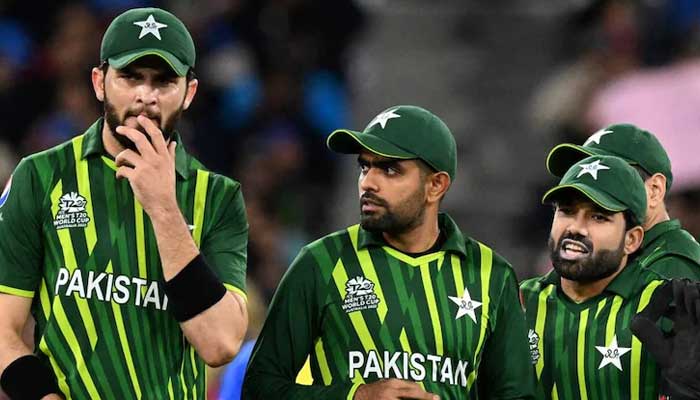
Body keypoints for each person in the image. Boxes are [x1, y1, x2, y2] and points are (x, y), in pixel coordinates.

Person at [0, 8, 249, 399]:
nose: (145, 96)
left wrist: (164, 207)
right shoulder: (40, 177)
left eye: (164, 81)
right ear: (100, 82)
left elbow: (219, 344)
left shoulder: (218, 197)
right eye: (131, 77)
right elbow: (3, 331)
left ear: (189, 92)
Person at [243, 105, 535, 400]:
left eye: (390, 169)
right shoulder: (320, 263)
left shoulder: (492, 276)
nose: (368, 182)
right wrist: (355, 397)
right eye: (364, 167)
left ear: (435, 186)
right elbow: (258, 389)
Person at [520, 154, 668, 399]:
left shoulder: (666, 307)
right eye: (567, 211)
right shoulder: (518, 303)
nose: (576, 227)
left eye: (598, 217)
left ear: (631, 240)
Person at [545, 123, 700, 280]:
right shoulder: (610, 259)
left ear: (655, 190)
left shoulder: (671, 267)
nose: (591, 191)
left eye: (613, 175)